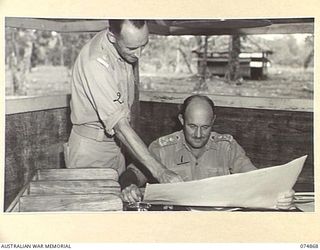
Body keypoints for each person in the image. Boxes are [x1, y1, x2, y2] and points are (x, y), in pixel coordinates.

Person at [120, 94, 295, 210]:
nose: (198, 134)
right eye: (192, 126)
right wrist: (129, 187)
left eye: (205, 127)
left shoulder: (227, 146)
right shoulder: (162, 147)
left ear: (213, 121)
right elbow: (133, 173)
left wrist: (280, 193)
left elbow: (257, 178)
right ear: (181, 120)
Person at [65, 19, 182, 184]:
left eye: (144, 45)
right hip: (91, 150)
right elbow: (120, 126)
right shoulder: (96, 63)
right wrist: (160, 172)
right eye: (132, 48)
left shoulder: (123, 47)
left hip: (117, 145)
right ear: (112, 36)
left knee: (120, 200)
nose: (139, 54)